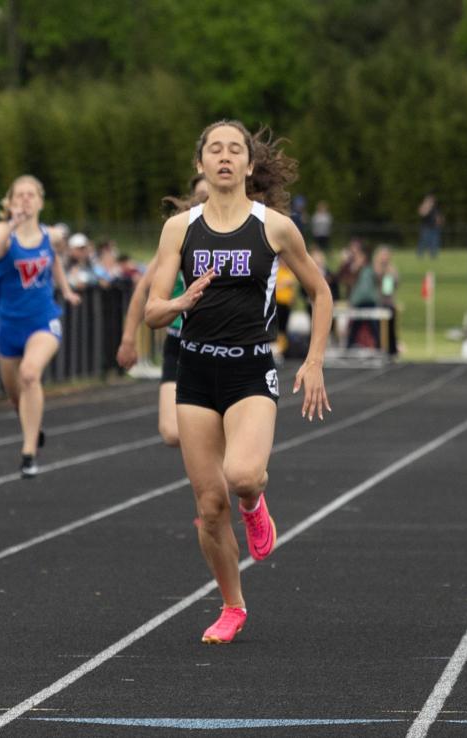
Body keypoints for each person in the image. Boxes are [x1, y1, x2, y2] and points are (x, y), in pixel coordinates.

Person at [144, 121, 332, 644]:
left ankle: (254, 504)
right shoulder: (179, 229)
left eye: (235, 150)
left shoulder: (273, 227)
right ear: (200, 164)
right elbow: (154, 309)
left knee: (244, 476)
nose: (224, 157)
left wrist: (313, 361)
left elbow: (321, 293)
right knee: (208, 507)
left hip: (250, 368)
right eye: (214, 149)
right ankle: (232, 606)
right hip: (195, 370)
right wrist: (179, 303)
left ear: (250, 166)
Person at [0, 175, 81, 478]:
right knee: (15, 396)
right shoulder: (1, 231)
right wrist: (11, 225)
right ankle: (32, 429)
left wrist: (66, 289)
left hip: (43, 320)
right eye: (18, 195)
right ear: (9, 202)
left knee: (30, 374)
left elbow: (55, 262)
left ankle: (28, 453)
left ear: (40, 201)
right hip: (9, 324)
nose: (24, 200)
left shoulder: (48, 235)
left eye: (30, 195)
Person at [117, 174, 211, 447]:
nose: (206, 200)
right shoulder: (178, 237)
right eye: (200, 196)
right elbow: (142, 292)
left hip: (221, 342)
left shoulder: (241, 234)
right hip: (180, 341)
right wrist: (128, 339)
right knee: (172, 431)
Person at [417, 192, 442, 259]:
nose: (432, 201)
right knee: (423, 242)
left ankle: (433, 256)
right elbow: (422, 213)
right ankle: (420, 256)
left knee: (434, 243)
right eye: (430, 200)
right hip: (426, 228)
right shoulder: (424, 206)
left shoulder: (436, 208)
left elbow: (438, 217)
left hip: (435, 228)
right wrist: (427, 205)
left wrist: (439, 221)